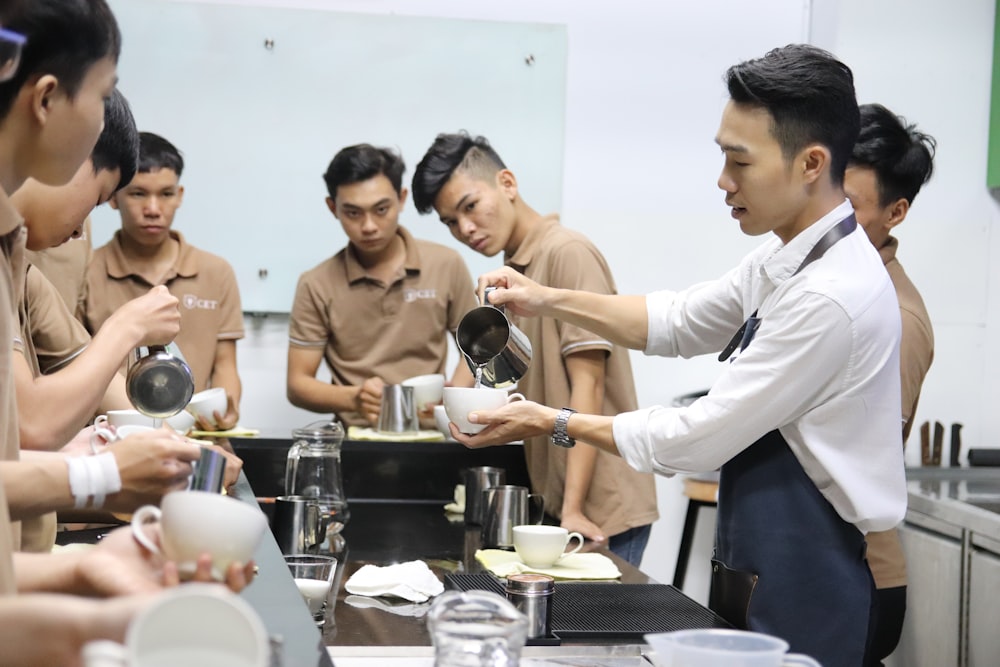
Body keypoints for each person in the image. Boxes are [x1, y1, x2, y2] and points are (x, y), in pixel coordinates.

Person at [441, 45, 907, 667]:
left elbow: (698, 438)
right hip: (761, 557)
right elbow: (679, 320)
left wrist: (546, 420)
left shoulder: (832, 295)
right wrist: (544, 297)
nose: (723, 180)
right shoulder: (788, 257)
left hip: (810, 573)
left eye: (739, 160)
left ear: (810, 163)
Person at [0, 2, 251, 663]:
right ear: (48, 98)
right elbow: (32, 426)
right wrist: (101, 475)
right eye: (105, 93)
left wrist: (89, 575)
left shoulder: (13, 252)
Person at [411, 132, 659, 565]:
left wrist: (573, 509)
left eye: (470, 206)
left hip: (600, 506)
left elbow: (590, 386)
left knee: (597, 632)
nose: (464, 229)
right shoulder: (507, 274)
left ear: (507, 183)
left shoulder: (567, 253)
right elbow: (468, 374)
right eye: (450, 221)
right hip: (556, 499)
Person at [287, 143, 477, 428]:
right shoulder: (316, 283)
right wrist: (354, 399)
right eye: (352, 213)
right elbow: (297, 384)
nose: (369, 226)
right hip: (354, 440)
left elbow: (475, 351)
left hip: (429, 436)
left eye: (381, 209)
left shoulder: (446, 264)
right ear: (332, 208)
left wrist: (453, 395)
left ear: (401, 199)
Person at [844, 102, 936, 666]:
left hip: (855, 577)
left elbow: (861, 458)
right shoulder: (826, 284)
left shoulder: (897, 319)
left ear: (895, 212)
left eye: (848, 207)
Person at [83, 131, 244, 431]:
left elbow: (225, 365)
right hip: (113, 438)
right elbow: (72, 363)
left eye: (166, 194)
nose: (153, 209)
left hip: (197, 436)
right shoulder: (87, 270)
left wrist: (227, 406)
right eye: (138, 193)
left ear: (180, 196)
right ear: (113, 197)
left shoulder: (215, 271)